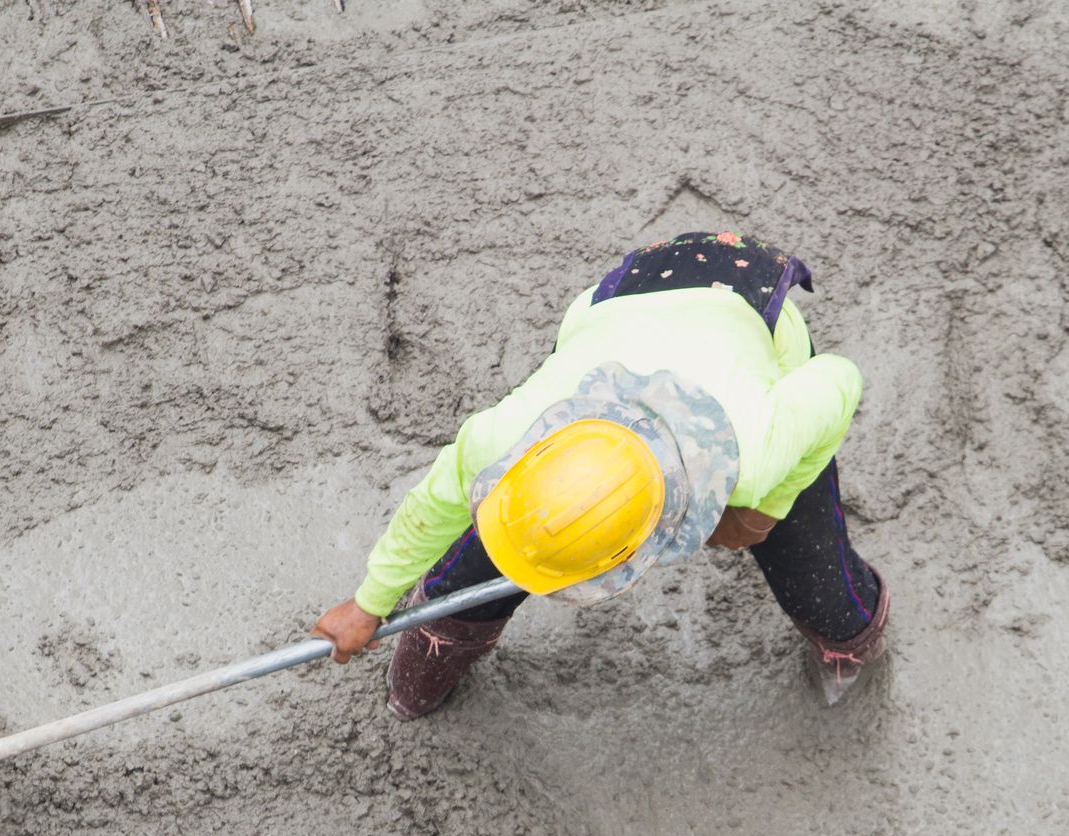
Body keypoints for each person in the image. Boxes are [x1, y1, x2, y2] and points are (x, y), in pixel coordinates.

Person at [311, 231, 889, 718]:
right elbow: (432, 505)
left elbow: (839, 380)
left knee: (815, 577)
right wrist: (369, 603)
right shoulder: (504, 438)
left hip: (750, 312)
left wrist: (770, 505)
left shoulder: (753, 454)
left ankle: (848, 637)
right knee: (488, 552)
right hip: (618, 306)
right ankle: (438, 643)